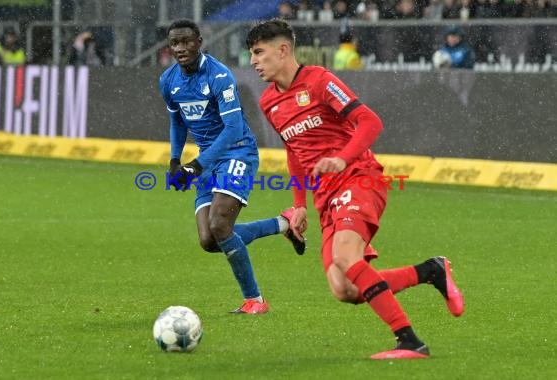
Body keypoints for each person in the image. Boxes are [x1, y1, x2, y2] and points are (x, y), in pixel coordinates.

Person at [246, 19, 465, 359]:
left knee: (346, 257)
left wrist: (342, 159)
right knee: (344, 288)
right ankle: (430, 271)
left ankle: (410, 341)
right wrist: (298, 205)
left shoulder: (320, 81)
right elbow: (294, 150)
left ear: (283, 50)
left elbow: (370, 121)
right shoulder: (268, 102)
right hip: (325, 197)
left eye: (259, 52)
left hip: (358, 178)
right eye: (252, 55)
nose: (254, 62)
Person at [158, 19, 306, 314]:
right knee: (209, 240)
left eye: (187, 41)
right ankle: (283, 224)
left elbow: (234, 129)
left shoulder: (219, 76)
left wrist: (197, 165)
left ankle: (255, 300)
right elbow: (177, 121)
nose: (181, 48)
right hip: (207, 159)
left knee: (220, 224)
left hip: (237, 152)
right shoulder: (168, 81)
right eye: (175, 43)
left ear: (199, 42)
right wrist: (175, 161)